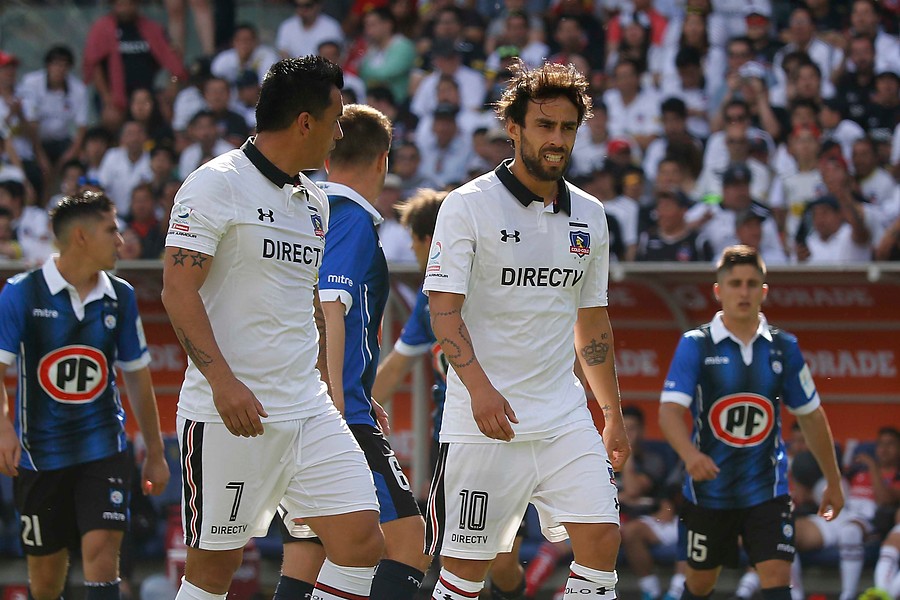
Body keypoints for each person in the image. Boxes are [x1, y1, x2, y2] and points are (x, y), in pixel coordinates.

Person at [160, 56, 383, 600]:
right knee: (214, 570)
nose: (338, 135)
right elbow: (177, 291)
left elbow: (307, 302)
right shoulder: (215, 184)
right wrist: (222, 383)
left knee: (360, 542)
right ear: (305, 122)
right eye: (335, 121)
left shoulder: (315, 201)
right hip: (230, 414)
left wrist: (335, 385)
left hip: (307, 408)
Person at [422, 59, 630, 600]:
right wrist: (480, 390)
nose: (557, 138)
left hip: (564, 417)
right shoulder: (467, 206)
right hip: (484, 423)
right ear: (513, 128)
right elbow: (443, 312)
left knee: (603, 542)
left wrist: (610, 413)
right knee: (465, 575)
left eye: (567, 127)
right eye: (545, 125)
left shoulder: (592, 214)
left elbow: (592, 320)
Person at [274, 103, 429, 600]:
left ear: (327, 157)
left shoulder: (306, 210)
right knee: (409, 543)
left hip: (301, 403)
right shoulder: (351, 217)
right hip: (332, 412)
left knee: (311, 552)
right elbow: (329, 304)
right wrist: (339, 403)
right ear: (384, 159)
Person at [0, 190, 170, 600]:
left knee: (102, 553)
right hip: (40, 455)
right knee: (45, 579)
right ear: (81, 236)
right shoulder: (21, 293)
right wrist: (3, 427)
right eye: (112, 230)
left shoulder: (121, 296)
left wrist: (155, 451)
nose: (121, 240)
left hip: (104, 448)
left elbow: (137, 377)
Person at [658, 244, 845, 600]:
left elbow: (811, 416)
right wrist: (690, 456)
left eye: (751, 284)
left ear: (764, 291)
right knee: (700, 584)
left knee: (776, 577)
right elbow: (669, 412)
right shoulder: (696, 344)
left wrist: (833, 482)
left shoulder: (784, 347)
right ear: (719, 290)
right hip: (709, 492)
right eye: (735, 284)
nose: (743, 292)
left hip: (767, 491)